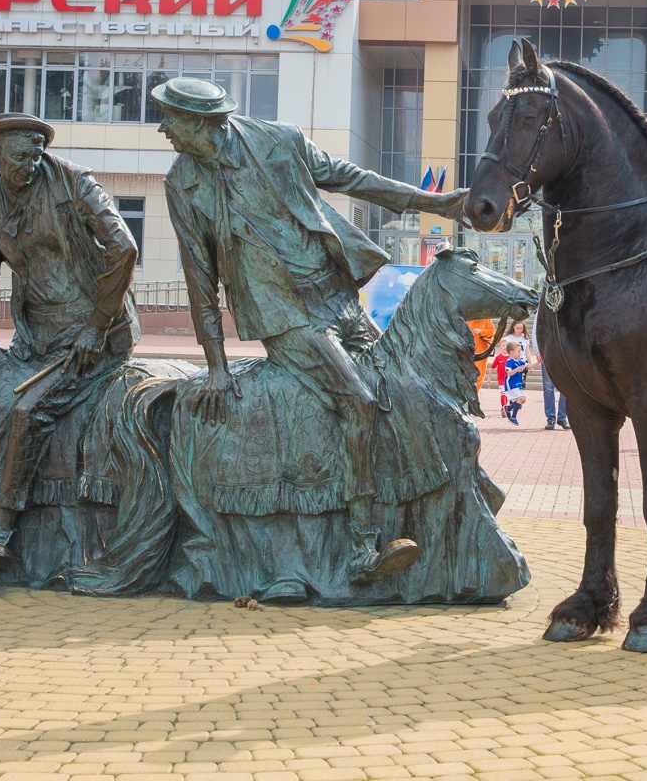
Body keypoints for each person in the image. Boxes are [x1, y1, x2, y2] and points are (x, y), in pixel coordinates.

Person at [154, 77, 465, 584]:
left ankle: (431, 503)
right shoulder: (181, 183)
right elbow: (198, 278)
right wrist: (214, 364)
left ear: (202, 123)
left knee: (396, 382)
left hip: (335, 291)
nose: (164, 129)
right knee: (358, 400)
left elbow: (351, 178)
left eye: (171, 119)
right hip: (282, 314)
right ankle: (362, 546)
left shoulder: (279, 139)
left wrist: (437, 204)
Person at [0, 111, 140, 571]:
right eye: (23, 155)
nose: (34, 161)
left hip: (93, 337)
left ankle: (2, 530)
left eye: (37, 152)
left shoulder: (73, 181)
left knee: (28, 411)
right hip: (34, 338)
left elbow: (124, 248)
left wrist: (96, 325)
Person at [532, 311, 568, 430]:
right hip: (547, 353)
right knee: (548, 387)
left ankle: (562, 417)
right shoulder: (543, 310)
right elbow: (535, 332)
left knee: (566, 388)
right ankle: (550, 418)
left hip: (564, 355)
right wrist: (538, 351)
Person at [501, 339, 528, 424]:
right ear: (511, 352)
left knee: (523, 399)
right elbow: (509, 373)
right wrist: (517, 369)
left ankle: (508, 409)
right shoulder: (509, 362)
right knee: (521, 398)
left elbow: (529, 365)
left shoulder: (519, 361)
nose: (520, 353)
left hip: (518, 385)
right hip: (511, 385)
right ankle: (513, 417)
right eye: (518, 351)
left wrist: (539, 362)